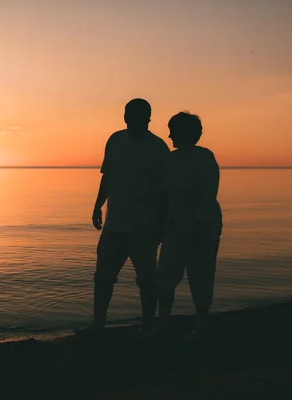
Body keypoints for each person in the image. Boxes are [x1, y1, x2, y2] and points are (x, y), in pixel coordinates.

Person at [74, 98, 170, 337]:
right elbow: (107, 177)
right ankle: (99, 325)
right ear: (125, 117)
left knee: (147, 279)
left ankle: (148, 324)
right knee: (103, 278)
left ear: (148, 118)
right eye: (130, 115)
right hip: (114, 225)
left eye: (139, 116)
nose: (133, 120)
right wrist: (97, 206)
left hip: (145, 227)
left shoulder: (158, 148)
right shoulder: (115, 141)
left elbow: (165, 192)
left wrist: (161, 227)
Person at [156, 111, 223, 338]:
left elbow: (207, 195)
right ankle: (163, 323)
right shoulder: (170, 160)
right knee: (165, 276)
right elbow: (164, 195)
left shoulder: (204, 158)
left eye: (172, 130)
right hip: (175, 226)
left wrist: (198, 226)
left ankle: (201, 324)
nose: (169, 135)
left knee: (201, 275)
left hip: (202, 228)